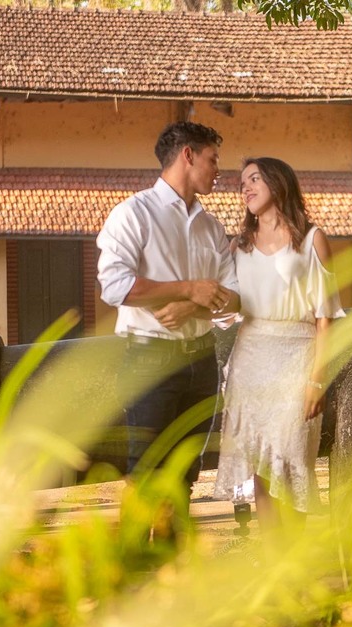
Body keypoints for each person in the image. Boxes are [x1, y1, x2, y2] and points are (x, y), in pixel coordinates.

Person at [96, 121, 241, 495]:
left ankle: (175, 537)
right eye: (213, 159)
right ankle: (136, 538)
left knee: (185, 475)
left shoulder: (211, 227)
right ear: (188, 155)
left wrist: (190, 306)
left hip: (204, 361)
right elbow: (115, 286)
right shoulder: (133, 214)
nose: (218, 169)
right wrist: (191, 289)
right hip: (150, 362)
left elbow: (235, 298)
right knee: (145, 474)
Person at [213, 157, 345, 524]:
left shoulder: (312, 239)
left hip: (297, 358)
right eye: (242, 183)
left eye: (254, 179)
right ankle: (271, 555)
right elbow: (225, 304)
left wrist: (317, 380)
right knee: (261, 467)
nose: (246, 187)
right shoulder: (239, 246)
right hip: (250, 359)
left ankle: (294, 555)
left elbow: (325, 318)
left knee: (292, 460)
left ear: (277, 182)